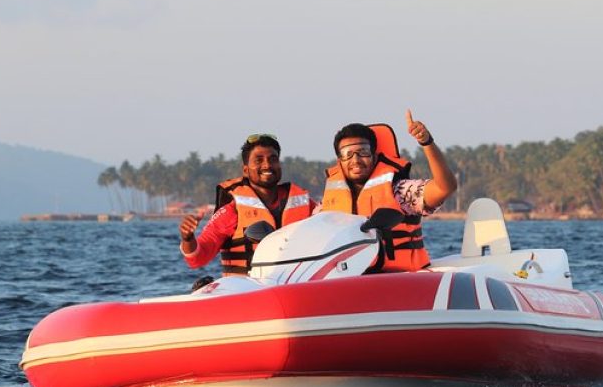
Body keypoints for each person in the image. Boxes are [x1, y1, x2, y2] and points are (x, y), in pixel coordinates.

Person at [321, 109, 457, 272]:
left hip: (399, 278)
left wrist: (426, 143)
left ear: (374, 156)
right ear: (339, 161)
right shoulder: (326, 206)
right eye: (347, 154)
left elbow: (445, 187)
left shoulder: (399, 191)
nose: (355, 160)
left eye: (363, 152)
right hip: (348, 279)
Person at [179, 134, 317, 276]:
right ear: (245, 170)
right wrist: (188, 238)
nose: (267, 165)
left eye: (273, 159)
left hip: (296, 284)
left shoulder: (303, 203)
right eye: (259, 160)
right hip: (247, 287)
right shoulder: (232, 211)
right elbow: (197, 259)